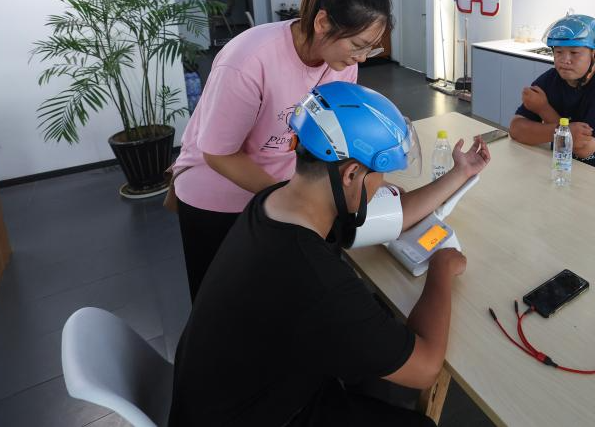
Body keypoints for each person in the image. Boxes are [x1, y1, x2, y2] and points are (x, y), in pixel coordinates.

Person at [169, 82, 490, 426]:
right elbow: (425, 368)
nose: (382, 187)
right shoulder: (315, 279)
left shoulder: (277, 203)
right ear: (351, 174)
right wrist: (441, 267)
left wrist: (460, 172)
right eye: (380, 175)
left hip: (226, 399)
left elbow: (397, 217)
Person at [170, 0, 392, 301]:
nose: (362, 58)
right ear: (322, 22)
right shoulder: (249, 60)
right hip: (217, 194)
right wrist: (292, 199)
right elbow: (217, 154)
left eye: (370, 47)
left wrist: (368, 179)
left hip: (280, 189)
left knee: (274, 302)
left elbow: (332, 130)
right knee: (222, 303)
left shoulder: (341, 63)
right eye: (358, 45)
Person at [509, 14, 595, 184]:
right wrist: (565, 131)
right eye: (558, 52)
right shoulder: (550, 80)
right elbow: (516, 129)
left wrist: (543, 109)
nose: (565, 60)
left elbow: (583, 149)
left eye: (574, 52)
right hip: (565, 172)